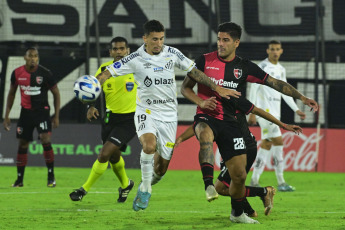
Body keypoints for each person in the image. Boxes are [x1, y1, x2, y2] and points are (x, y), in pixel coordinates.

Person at [95, 20, 240, 211]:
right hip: (146, 111)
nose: (158, 43)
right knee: (149, 145)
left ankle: (145, 183)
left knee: (161, 168)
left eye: (161, 39)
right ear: (145, 39)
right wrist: (92, 84)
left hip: (169, 115)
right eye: (154, 39)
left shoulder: (172, 53)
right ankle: (146, 188)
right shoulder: (134, 59)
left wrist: (215, 87)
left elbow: (194, 71)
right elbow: (107, 73)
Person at [181, 22, 318, 224]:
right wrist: (201, 102)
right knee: (204, 134)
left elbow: (275, 83)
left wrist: (302, 98)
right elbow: (185, 88)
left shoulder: (244, 68)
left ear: (236, 42)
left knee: (238, 176)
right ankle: (208, 184)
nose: (220, 43)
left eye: (225, 40)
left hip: (233, 125)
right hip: (207, 114)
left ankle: (243, 208)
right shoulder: (203, 61)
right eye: (219, 39)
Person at [175, 98, 303, 217]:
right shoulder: (213, 103)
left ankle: (261, 195)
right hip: (231, 148)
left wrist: (284, 125)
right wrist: (181, 138)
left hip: (244, 147)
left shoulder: (233, 98)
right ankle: (250, 209)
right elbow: (201, 124)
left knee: (222, 187)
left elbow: (258, 110)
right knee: (231, 184)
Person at [69, 37, 136, 202]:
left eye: (122, 48)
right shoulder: (104, 69)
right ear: (110, 52)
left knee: (104, 154)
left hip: (130, 120)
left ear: (128, 50)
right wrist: (90, 107)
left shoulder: (136, 68)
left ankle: (83, 190)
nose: (119, 52)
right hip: (110, 119)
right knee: (114, 156)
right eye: (115, 49)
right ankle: (126, 184)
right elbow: (93, 89)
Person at [248, 40, 305, 192]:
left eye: (277, 49)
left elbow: (285, 91)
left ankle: (254, 180)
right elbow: (253, 86)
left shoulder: (280, 69)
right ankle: (281, 182)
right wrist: (251, 110)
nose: (275, 51)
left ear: (281, 51)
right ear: (268, 50)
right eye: (272, 49)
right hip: (265, 112)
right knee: (278, 142)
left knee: (267, 144)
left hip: (275, 113)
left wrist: (296, 109)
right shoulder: (262, 67)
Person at [3, 47, 60, 187]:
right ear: (25, 58)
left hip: (42, 112)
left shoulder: (45, 73)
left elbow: (56, 93)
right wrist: (7, 115)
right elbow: (11, 94)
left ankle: (51, 177)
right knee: (23, 144)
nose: (33, 59)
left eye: (36, 56)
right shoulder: (17, 73)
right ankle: (19, 180)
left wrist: (56, 116)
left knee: (45, 139)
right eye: (30, 56)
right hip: (26, 113)